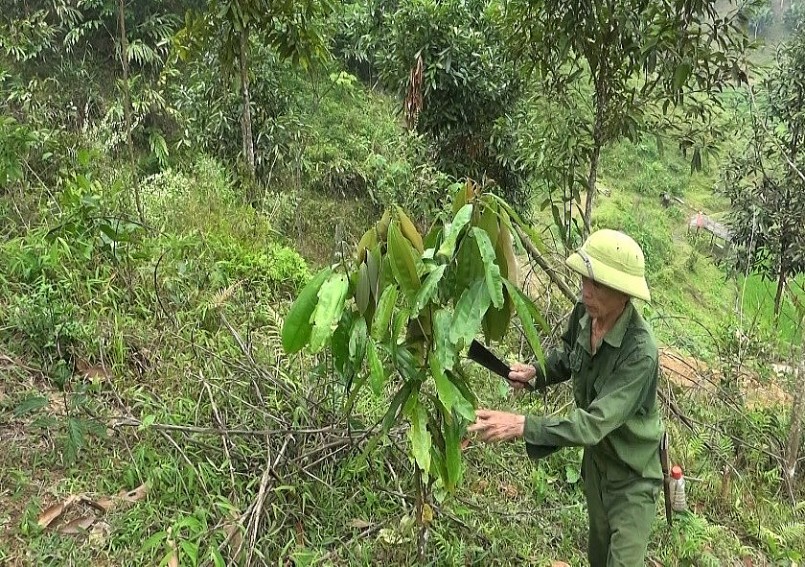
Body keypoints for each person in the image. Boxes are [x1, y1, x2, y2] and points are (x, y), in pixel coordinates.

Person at [468, 229, 664, 567]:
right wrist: (535, 374)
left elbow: (592, 424)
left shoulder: (640, 353)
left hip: (632, 478)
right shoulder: (584, 315)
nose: (586, 291)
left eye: (598, 284)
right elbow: (569, 358)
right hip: (597, 466)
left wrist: (522, 424)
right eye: (584, 280)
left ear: (623, 293)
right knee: (598, 558)